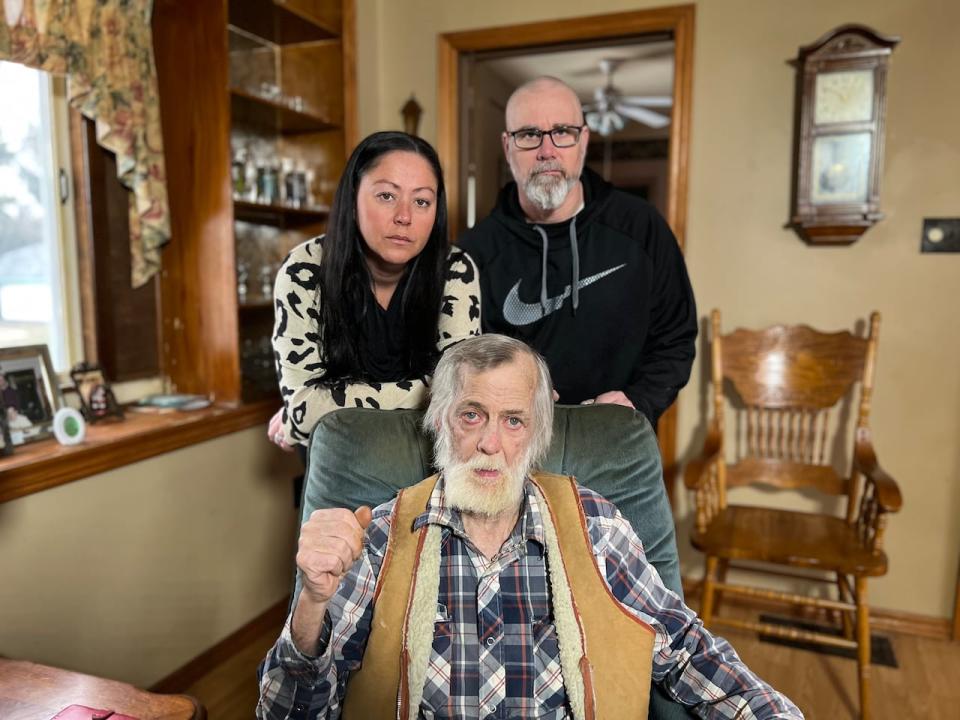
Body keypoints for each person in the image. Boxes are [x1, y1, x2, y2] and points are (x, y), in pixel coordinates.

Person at [257, 335, 803, 720]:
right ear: (440, 420)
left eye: (513, 420)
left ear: (537, 432)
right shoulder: (379, 534)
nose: (491, 443)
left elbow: (686, 649)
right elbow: (286, 713)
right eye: (472, 415)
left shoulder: (596, 525)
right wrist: (311, 602)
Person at [458, 77, 697, 427]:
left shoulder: (641, 226)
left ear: (583, 140)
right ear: (507, 146)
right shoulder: (473, 253)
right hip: (513, 448)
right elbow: (463, 362)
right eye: (529, 134)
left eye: (562, 131)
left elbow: (676, 337)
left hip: (618, 439)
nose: (547, 150)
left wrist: (638, 400)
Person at [268, 131, 481, 449]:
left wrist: (326, 403)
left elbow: (467, 392)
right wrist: (432, 394)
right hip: (340, 461)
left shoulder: (454, 268)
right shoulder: (305, 270)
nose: (404, 217)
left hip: (428, 459)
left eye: (421, 201)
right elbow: (302, 409)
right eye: (387, 196)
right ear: (353, 199)